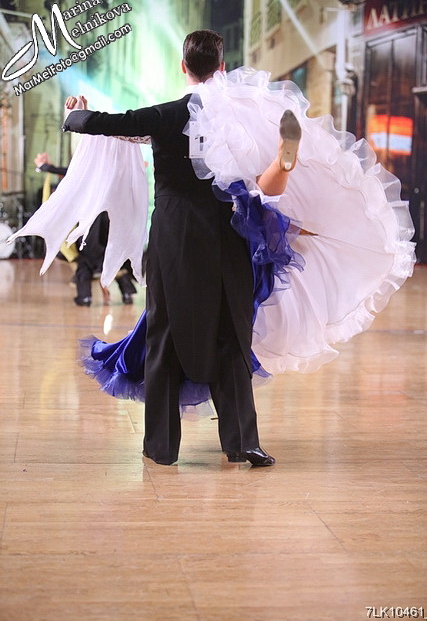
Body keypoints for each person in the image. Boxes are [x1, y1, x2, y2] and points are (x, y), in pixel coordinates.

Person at [62, 30, 291, 466]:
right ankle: (243, 442)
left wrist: (75, 115)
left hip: (174, 236)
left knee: (164, 330)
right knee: (232, 333)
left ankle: (161, 446)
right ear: (222, 67)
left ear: (183, 67)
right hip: (229, 234)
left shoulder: (165, 115)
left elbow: (111, 124)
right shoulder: (239, 120)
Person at [33, 153, 138, 307]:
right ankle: (127, 293)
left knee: (85, 262)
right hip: (109, 222)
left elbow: (72, 172)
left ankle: (85, 297)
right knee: (110, 259)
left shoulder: (94, 169)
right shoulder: (114, 171)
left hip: (93, 223)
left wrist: (46, 167)